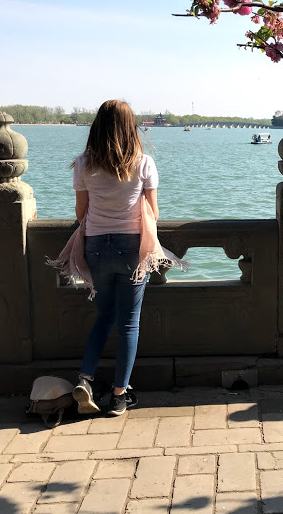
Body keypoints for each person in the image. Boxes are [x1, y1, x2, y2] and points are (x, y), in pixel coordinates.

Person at [70, 99, 160, 417]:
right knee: (128, 323)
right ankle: (120, 396)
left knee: (104, 316)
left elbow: (81, 213)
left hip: (95, 245)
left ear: (97, 128)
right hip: (131, 248)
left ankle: (85, 378)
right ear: (130, 127)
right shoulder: (143, 162)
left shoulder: (83, 164)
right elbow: (153, 213)